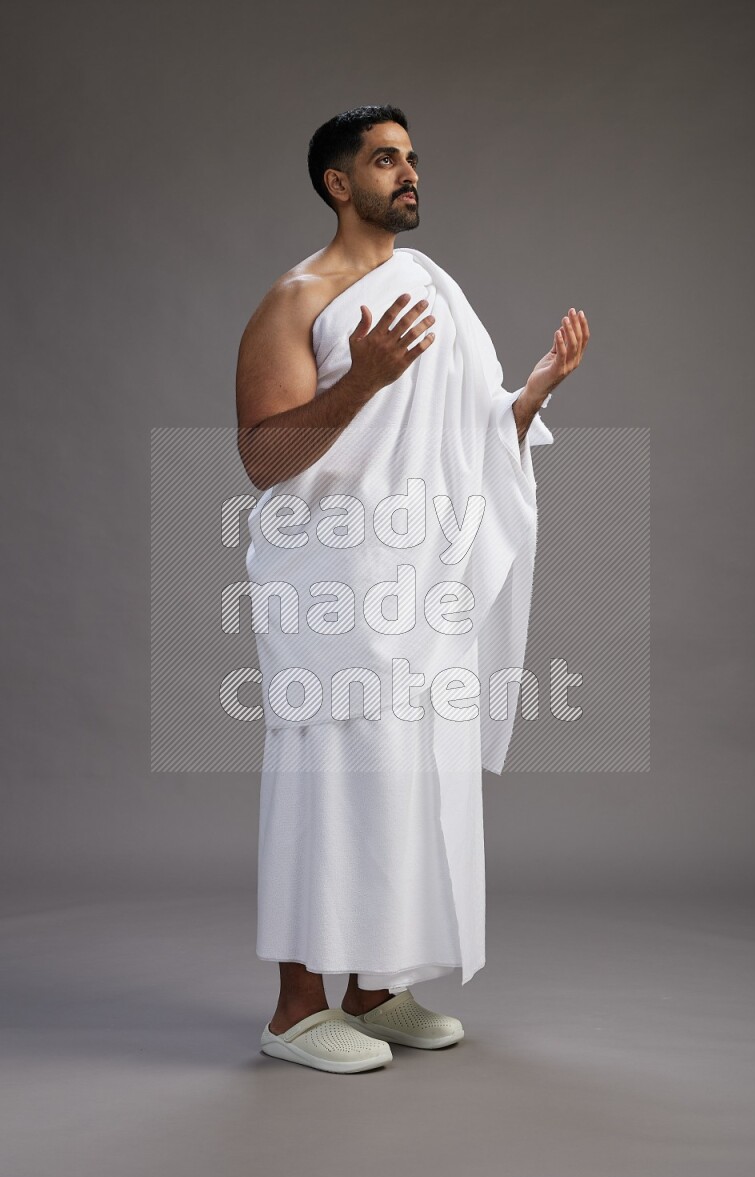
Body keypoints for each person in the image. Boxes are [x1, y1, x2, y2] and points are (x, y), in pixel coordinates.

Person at [235, 104, 589, 1074]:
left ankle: (377, 990)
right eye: (384, 160)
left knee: (410, 784)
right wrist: (364, 381)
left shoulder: (431, 285)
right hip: (336, 587)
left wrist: (528, 398)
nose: (408, 174)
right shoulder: (295, 299)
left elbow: (460, 440)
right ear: (335, 184)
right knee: (330, 785)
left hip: (422, 589)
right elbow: (263, 455)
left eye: (412, 158)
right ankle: (296, 1010)